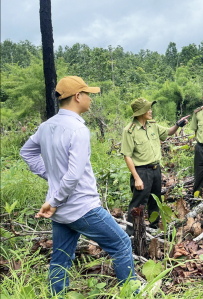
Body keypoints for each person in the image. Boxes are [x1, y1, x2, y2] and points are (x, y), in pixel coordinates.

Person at [20, 76, 136, 296]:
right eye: (88, 94)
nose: (90, 99)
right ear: (77, 96)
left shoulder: (46, 126)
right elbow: (73, 176)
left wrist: (51, 176)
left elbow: (26, 152)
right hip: (82, 207)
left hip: (61, 211)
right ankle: (133, 293)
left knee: (60, 258)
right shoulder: (78, 130)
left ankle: (57, 295)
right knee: (121, 244)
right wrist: (54, 198)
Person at [121, 97, 189, 235]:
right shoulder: (129, 131)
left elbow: (168, 132)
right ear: (140, 112)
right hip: (141, 172)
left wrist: (178, 124)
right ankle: (131, 235)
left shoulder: (152, 125)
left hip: (155, 170)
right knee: (137, 206)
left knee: (155, 202)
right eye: (148, 109)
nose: (151, 111)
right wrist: (136, 178)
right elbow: (127, 155)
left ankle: (153, 231)